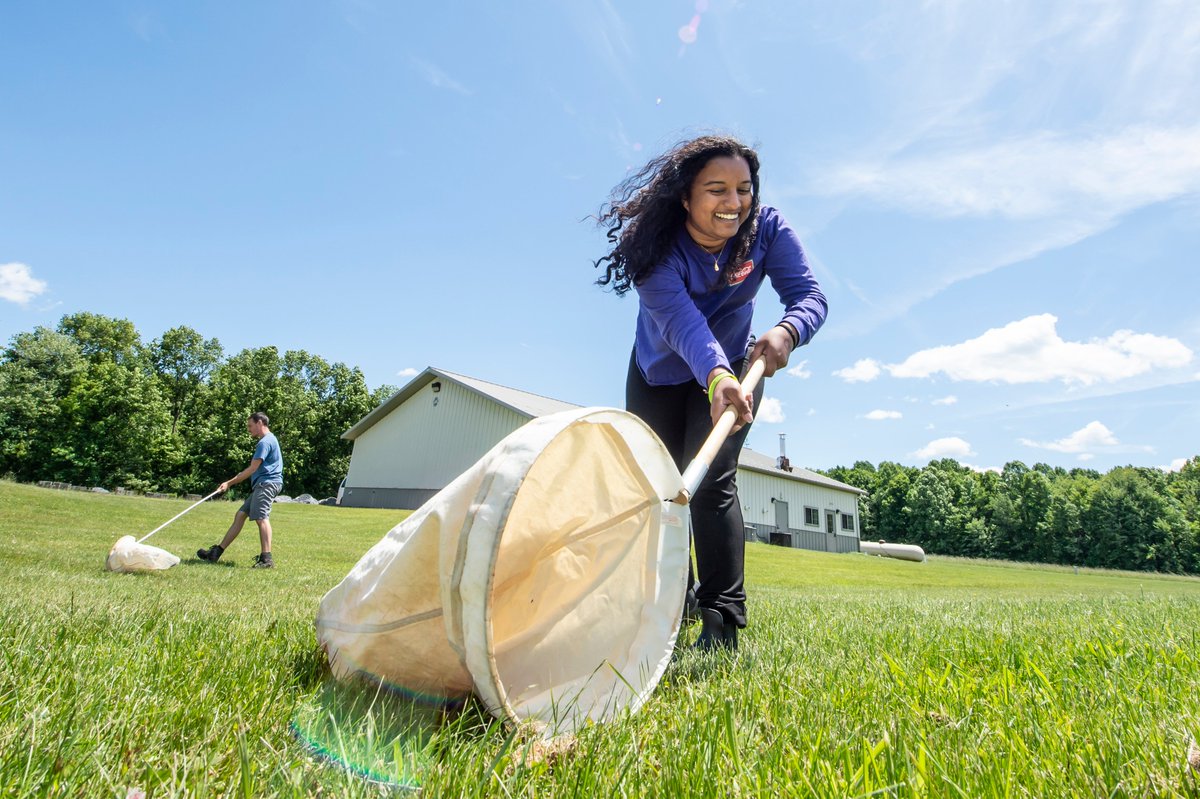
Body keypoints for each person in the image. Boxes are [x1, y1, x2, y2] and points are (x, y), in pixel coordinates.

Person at [595, 135, 827, 650]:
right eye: (717, 189)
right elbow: (684, 325)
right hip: (660, 373)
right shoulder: (654, 250)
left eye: (743, 189)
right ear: (685, 196)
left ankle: (722, 617)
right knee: (658, 488)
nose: (734, 203)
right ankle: (673, 602)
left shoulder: (766, 229)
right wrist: (716, 375)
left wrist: (788, 330)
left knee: (712, 481)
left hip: (735, 370)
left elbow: (809, 296)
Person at [197, 411, 284, 568]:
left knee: (261, 518)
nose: (248, 429)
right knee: (241, 515)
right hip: (263, 484)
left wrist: (229, 483)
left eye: (250, 426)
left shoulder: (265, 442)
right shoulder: (270, 439)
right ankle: (216, 553)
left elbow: (252, 469)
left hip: (267, 484)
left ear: (260, 423)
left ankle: (266, 559)